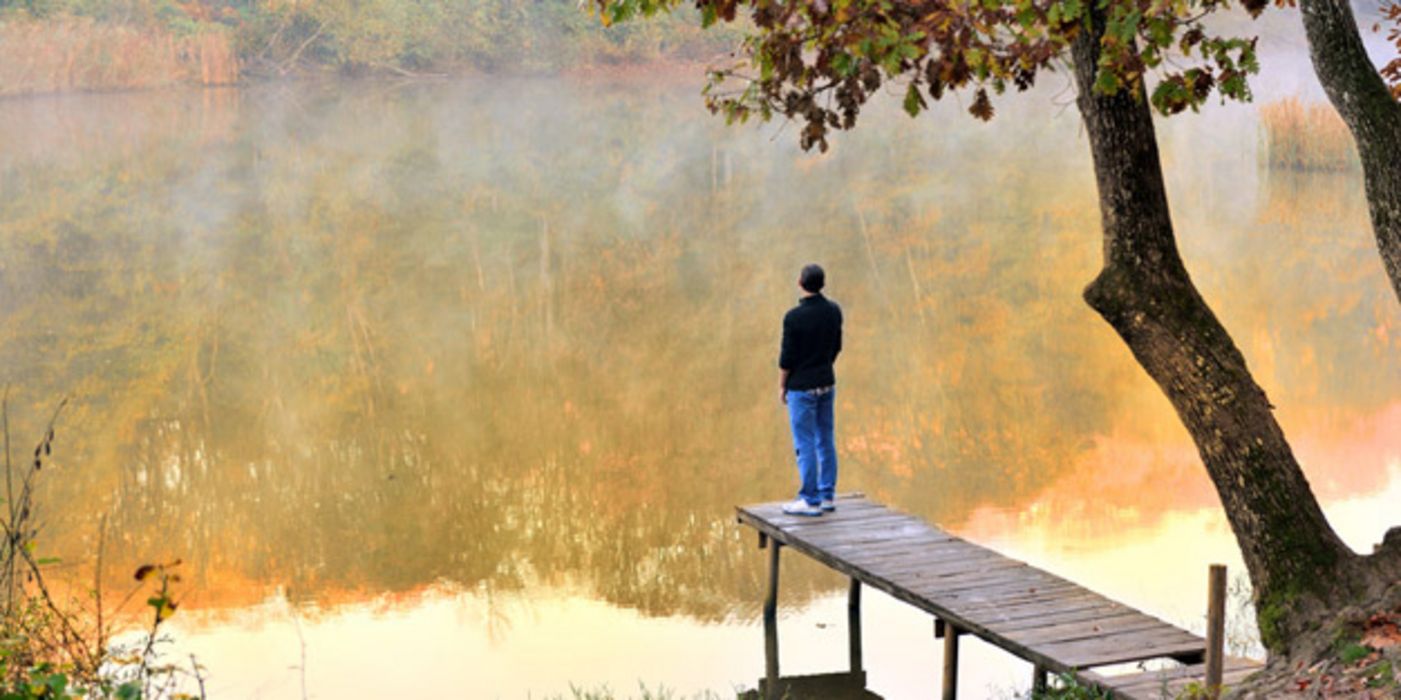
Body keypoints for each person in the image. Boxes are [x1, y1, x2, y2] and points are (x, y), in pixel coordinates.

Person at [778, 263, 843, 517]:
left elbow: (787, 358)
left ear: (800, 282)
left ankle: (809, 499)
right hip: (827, 382)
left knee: (804, 442)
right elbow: (837, 346)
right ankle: (827, 495)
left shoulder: (793, 317)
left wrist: (782, 385)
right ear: (822, 284)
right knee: (825, 438)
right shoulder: (834, 311)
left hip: (801, 388)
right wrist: (824, 367)